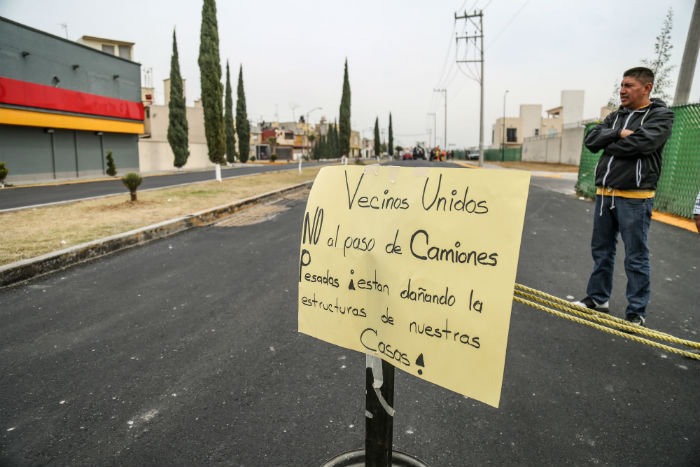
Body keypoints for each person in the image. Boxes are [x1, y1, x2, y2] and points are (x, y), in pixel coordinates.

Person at [572, 67, 674, 327]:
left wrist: (610, 144)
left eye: (629, 85)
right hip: (606, 195)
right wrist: (617, 133)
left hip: (636, 197)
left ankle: (636, 311)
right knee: (601, 250)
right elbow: (591, 139)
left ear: (647, 87)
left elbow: (641, 144)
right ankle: (598, 298)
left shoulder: (661, 116)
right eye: (621, 85)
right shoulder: (616, 117)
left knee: (635, 255)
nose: (622, 90)